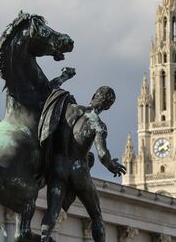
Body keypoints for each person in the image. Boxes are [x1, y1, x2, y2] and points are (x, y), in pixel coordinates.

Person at [39, 86, 126, 242]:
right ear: (107, 107)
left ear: (94, 95)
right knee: (96, 214)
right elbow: (102, 154)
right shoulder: (98, 124)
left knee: (52, 211)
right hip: (78, 169)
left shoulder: (70, 110)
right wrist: (112, 166)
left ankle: (44, 238)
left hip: (58, 166)